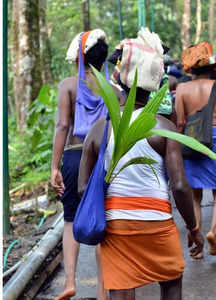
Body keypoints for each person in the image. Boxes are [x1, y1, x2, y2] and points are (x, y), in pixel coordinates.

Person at [78, 28, 204, 300]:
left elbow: (82, 189)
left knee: (121, 290)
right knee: (171, 282)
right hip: (157, 222)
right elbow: (180, 186)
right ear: (157, 82)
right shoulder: (164, 128)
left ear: (119, 79)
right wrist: (194, 228)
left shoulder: (99, 130)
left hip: (116, 224)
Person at [50, 29, 113, 300]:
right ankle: (102, 291)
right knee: (104, 223)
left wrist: (55, 166)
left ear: (80, 56)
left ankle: (70, 282)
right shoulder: (114, 88)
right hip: (103, 159)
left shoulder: (68, 85)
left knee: (70, 220)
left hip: (75, 156)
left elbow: (63, 125)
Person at [175, 42, 216, 259]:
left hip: (191, 140)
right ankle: (213, 231)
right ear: (212, 67)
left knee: (194, 194)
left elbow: (180, 123)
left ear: (190, 68)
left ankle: (197, 238)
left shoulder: (182, 89)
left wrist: (175, 149)